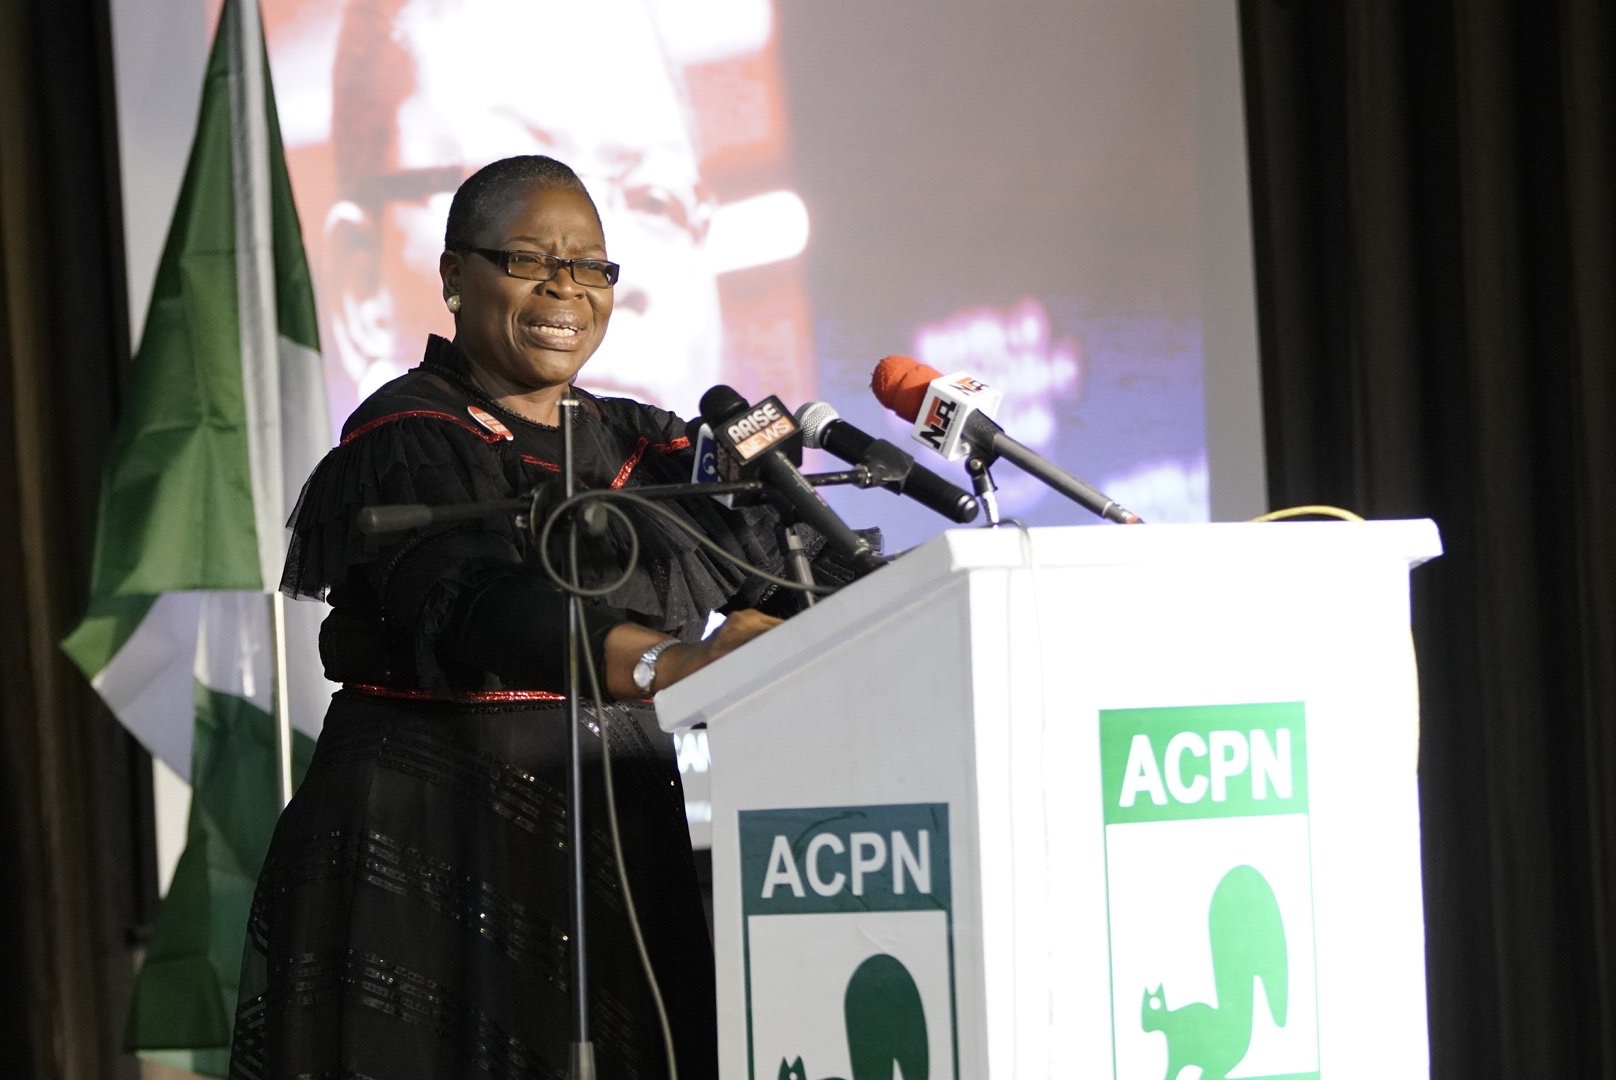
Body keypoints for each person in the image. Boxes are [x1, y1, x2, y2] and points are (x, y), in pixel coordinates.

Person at [229, 155, 837, 1079]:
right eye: (527, 258)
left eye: (590, 265)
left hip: (614, 850)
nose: (565, 287)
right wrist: (667, 664)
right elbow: (483, 606)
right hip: (434, 846)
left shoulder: (643, 443)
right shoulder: (405, 437)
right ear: (451, 277)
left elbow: (795, 574)